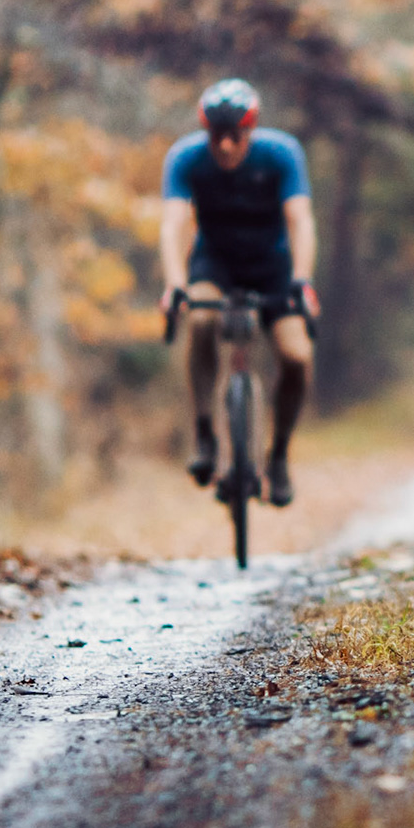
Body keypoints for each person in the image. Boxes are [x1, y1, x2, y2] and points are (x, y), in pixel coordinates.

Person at [159, 78, 319, 507]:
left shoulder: (281, 154)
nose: (225, 145)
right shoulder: (186, 158)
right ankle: (205, 432)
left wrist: (302, 279)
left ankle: (278, 454)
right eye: (216, 135)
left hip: (272, 267)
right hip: (215, 263)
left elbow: (300, 219)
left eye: (235, 135)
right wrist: (174, 283)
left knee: (297, 356)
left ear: (251, 131)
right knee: (201, 319)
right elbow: (173, 224)